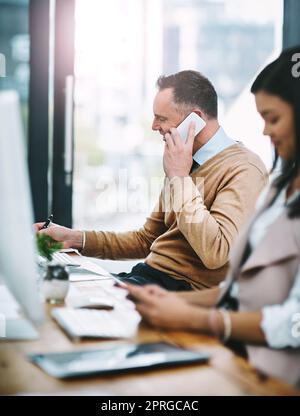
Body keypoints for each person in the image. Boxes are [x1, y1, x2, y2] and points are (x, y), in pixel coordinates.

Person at [125, 47, 300, 388]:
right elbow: (239, 289)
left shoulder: (243, 169)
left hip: (267, 364)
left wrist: (196, 316)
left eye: (273, 118)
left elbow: (291, 320)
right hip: (234, 337)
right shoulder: (281, 189)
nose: (264, 131)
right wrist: (173, 304)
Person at [35, 70, 267, 291]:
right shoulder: (185, 161)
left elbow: (215, 251)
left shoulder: (244, 169)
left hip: (180, 290)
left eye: (161, 118)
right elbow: (147, 239)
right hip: (147, 277)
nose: (154, 126)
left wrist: (179, 178)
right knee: (57, 288)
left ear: (194, 120)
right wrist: (75, 238)